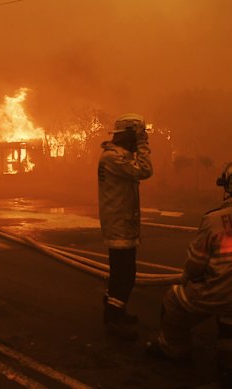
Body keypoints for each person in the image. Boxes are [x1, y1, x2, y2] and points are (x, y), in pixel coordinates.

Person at [146, 158, 232, 359]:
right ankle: (231, 358)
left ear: (230, 184)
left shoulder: (214, 219)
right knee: (231, 315)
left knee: (173, 299)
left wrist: (187, 278)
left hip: (219, 293)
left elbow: (196, 263)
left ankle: (174, 347)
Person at [98, 113, 153, 340]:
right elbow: (145, 170)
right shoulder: (114, 158)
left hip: (122, 220)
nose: (139, 141)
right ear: (128, 136)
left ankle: (116, 309)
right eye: (138, 137)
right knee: (125, 273)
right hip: (119, 222)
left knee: (120, 271)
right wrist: (142, 145)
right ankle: (113, 316)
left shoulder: (115, 156)